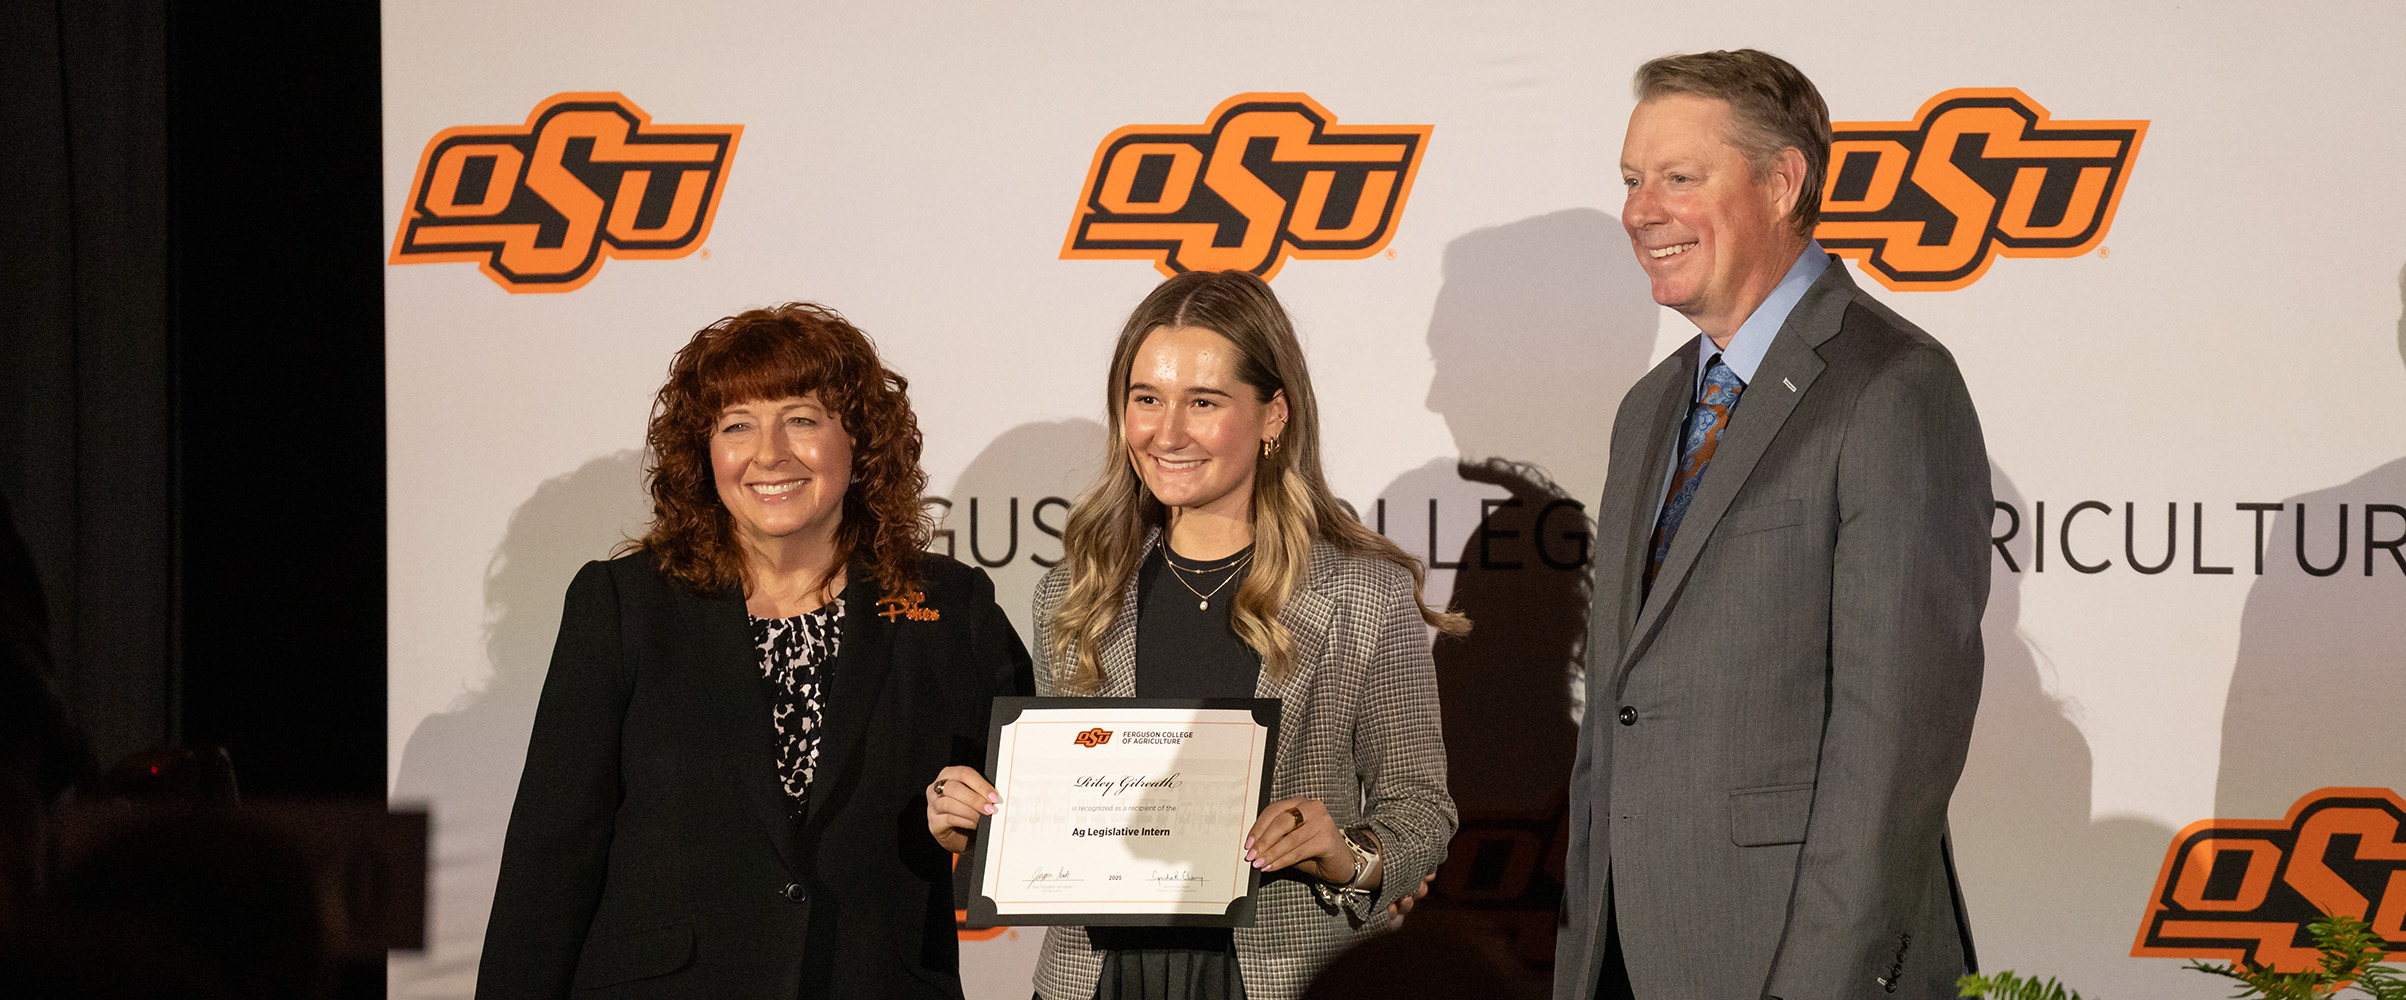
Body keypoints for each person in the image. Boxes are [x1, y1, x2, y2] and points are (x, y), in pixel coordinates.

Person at [1555, 50, 1991, 1000]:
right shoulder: (1651, 406)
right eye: (1632, 180)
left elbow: (1896, 743)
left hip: (1793, 960)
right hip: (1628, 958)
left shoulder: (1893, 386)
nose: (1639, 210)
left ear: (1783, 182)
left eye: (1678, 177)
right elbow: (1619, 724)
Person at [925, 270, 1459, 1000]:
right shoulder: (1074, 593)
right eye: (1146, 399)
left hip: (1282, 974)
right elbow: (1063, 814)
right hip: (1096, 977)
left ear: (1275, 414)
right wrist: (977, 826)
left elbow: (1421, 811)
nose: (1165, 432)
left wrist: (1345, 855)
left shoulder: (1363, 594)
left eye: (1202, 402)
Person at [476, 303, 1032, 1000]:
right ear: (704, 453)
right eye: (736, 425)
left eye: (802, 418)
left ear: (857, 440)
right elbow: (551, 856)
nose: (769, 454)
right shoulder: (623, 604)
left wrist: (972, 829)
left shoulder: (952, 607)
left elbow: (1029, 805)